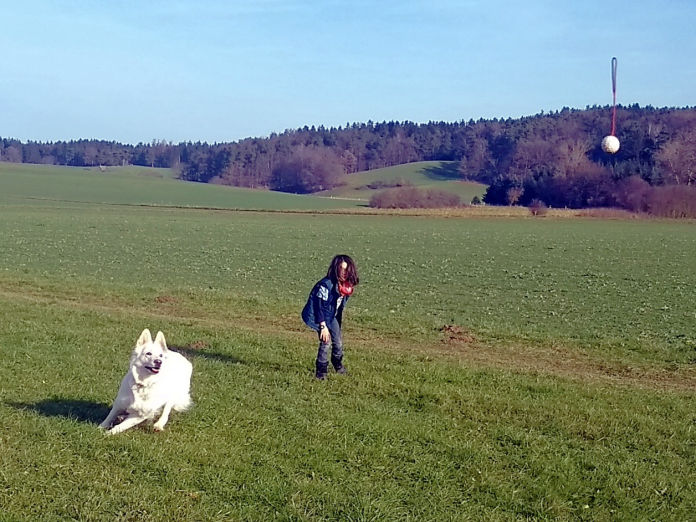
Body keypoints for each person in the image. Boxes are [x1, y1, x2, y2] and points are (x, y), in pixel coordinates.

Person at [301, 254, 359, 380]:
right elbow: (319, 306)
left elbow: (338, 307)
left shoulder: (346, 286)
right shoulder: (325, 285)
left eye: (346, 270)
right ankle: (321, 373)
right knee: (326, 342)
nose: (344, 273)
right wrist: (323, 326)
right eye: (341, 269)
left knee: (338, 342)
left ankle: (338, 365)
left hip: (332, 316)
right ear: (336, 268)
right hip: (319, 316)